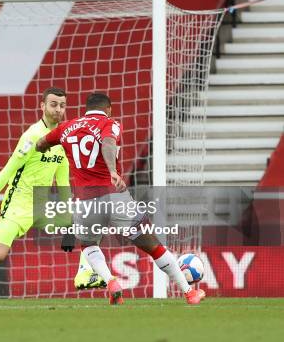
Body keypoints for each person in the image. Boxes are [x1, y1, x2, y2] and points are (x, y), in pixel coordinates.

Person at [0, 87, 105, 302]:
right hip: (18, 204)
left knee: (89, 218)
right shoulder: (32, 136)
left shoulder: (64, 139)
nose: (58, 110)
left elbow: (62, 183)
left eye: (62, 105)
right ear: (42, 106)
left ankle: (84, 273)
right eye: (53, 104)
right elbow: (8, 170)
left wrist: (68, 224)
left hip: (41, 206)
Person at [36, 92, 206, 305]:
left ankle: (110, 282)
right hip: (114, 197)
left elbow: (40, 144)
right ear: (108, 109)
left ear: (86, 109)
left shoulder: (66, 126)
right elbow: (107, 143)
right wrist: (112, 171)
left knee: (88, 245)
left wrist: (49, 146)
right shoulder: (110, 123)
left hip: (84, 203)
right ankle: (189, 292)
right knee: (154, 246)